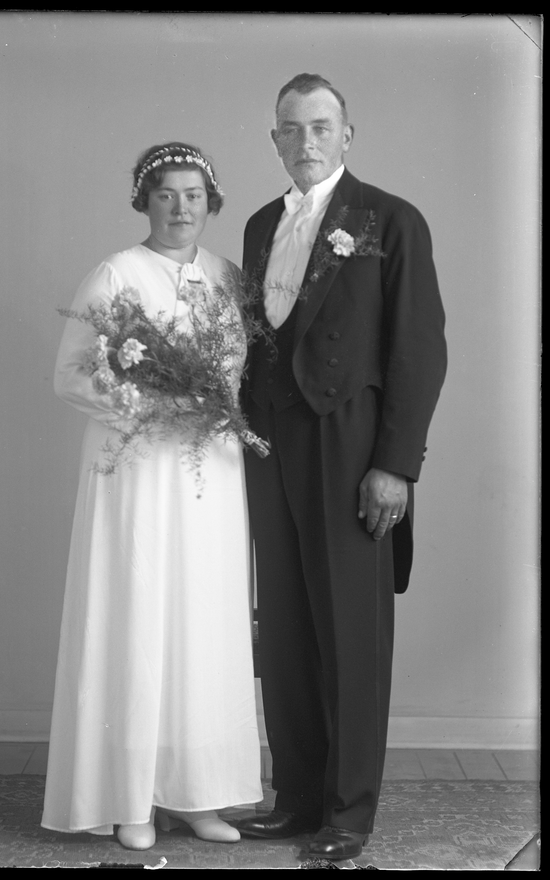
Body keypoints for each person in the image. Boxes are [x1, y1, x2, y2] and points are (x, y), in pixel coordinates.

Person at [237, 74, 447, 861]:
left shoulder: (391, 219)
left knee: (351, 634)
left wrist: (395, 465)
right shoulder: (261, 224)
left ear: (347, 134)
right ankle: (296, 799)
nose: (307, 142)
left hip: (351, 446)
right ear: (275, 140)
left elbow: (419, 351)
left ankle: (349, 813)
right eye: (291, 129)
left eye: (321, 126)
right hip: (271, 445)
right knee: (286, 630)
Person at [42, 143, 263, 851]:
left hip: (209, 471)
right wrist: (155, 404)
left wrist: (214, 405)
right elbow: (73, 373)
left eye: (193, 195)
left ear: (211, 203)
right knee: (137, 612)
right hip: (138, 465)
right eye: (166, 194)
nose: (180, 208)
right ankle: (130, 798)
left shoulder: (227, 278)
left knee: (204, 619)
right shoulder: (117, 274)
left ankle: (198, 793)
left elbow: (243, 371)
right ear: (145, 200)